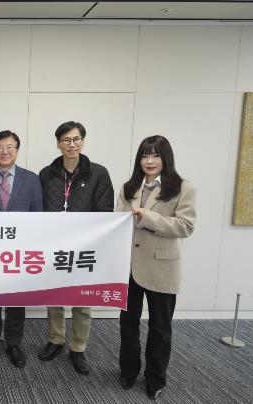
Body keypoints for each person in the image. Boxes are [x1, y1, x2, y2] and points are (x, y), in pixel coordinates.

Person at [117, 135, 195, 400]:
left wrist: (147, 217)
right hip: (129, 266)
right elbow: (118, 222)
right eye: (144, 155)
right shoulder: (128, 187)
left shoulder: (182, 188)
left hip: (162, 266)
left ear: (165, 158)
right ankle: (128, 371)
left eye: (155, 155)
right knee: (128, 324)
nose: (149, 161)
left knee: (160, 328)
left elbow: (185, 226)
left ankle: (155, 378)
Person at [37, 121, 114, 375]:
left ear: (83, 141)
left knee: (83, 299)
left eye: (76, 139)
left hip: (85, 247)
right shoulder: (46, 174)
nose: (71, 144)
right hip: (55, 245)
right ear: (58, 144)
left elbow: (105, 211)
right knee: (55, 295)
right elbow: (39, 211)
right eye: (66, 140)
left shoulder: (98, 173)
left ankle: (78, 347)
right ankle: (55, 339)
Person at [0, 130, 43, 369]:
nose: (4, 151)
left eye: (9, 147)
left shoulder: (31, 180)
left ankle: (14, 343)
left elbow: (38, 217)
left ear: (17, 150)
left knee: (16, 299)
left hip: (20, 252)